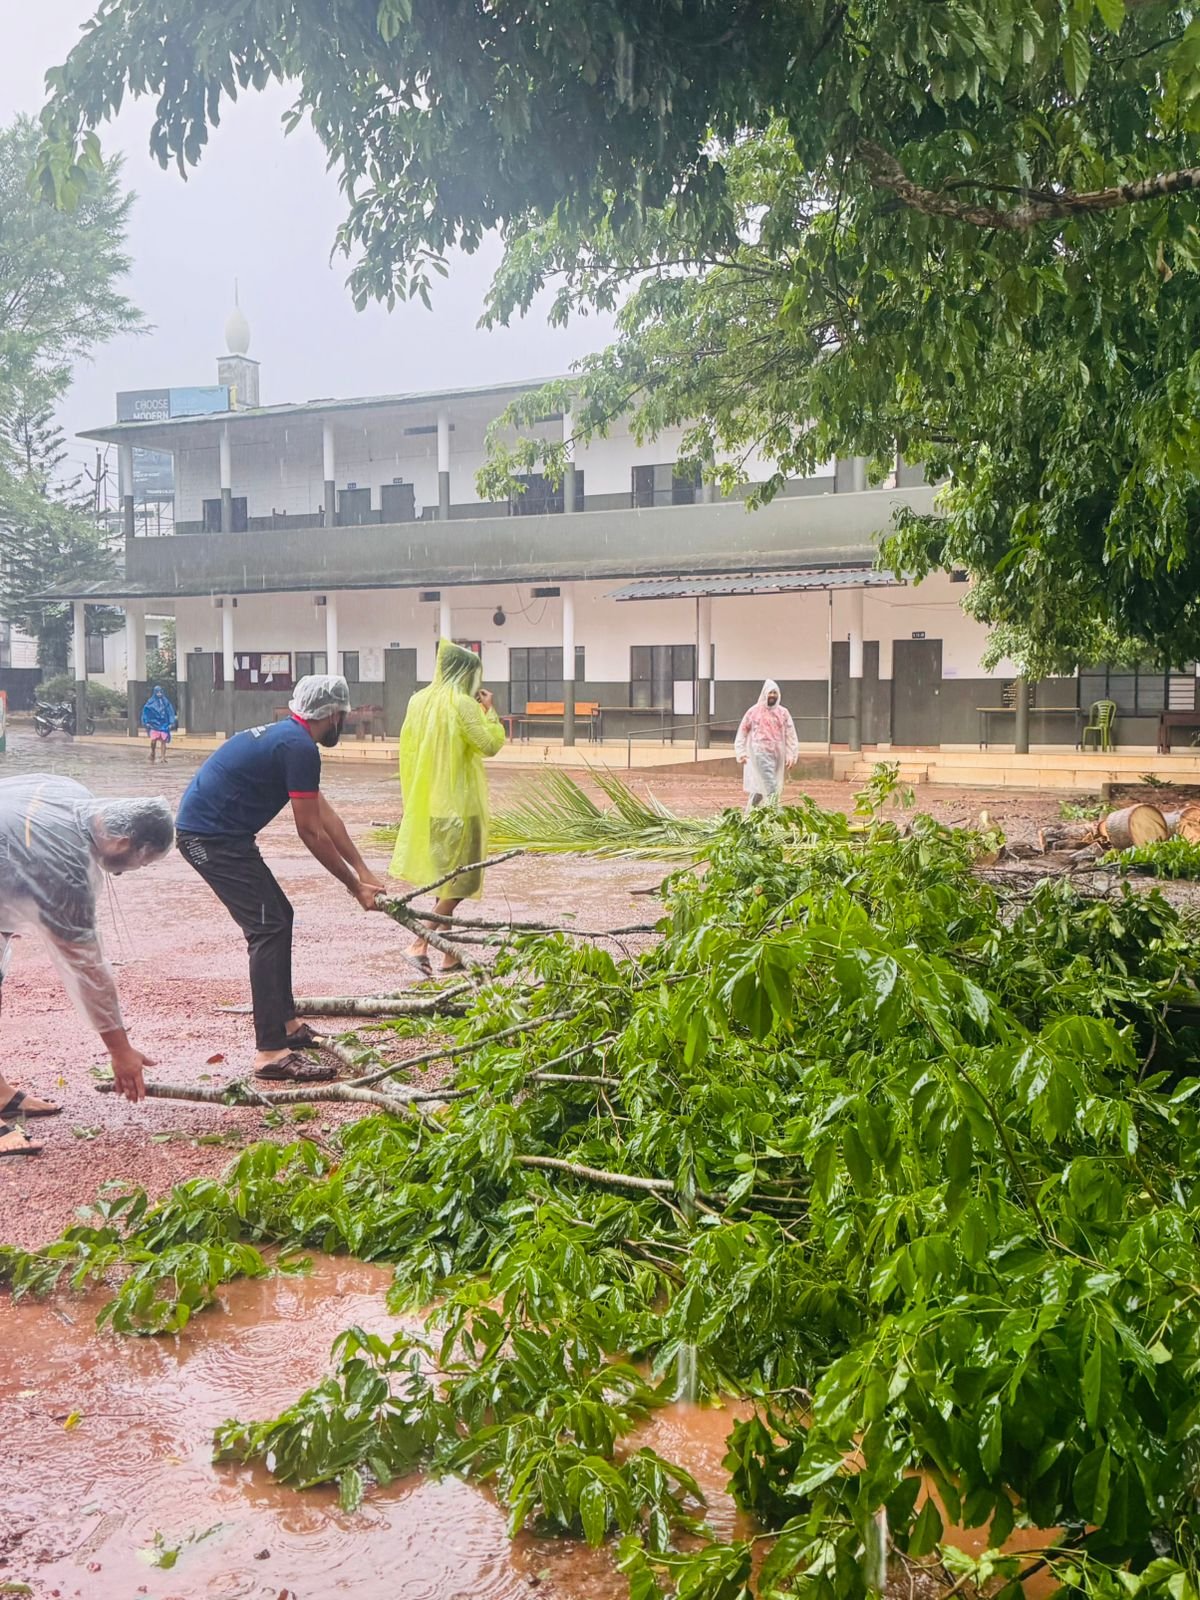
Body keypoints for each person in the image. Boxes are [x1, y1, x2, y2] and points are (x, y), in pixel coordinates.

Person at [175, 674, 384, 1083]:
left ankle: (287, 1025)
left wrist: (364, 872)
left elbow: (326, 816)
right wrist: (352, 886)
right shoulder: (300, 747)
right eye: (346, 715)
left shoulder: (291, 739)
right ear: (334, 714)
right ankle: (270, 1051)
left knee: (278, 917)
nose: (346, 722)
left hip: (224, 836)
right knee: (267, 926)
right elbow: (309, 833)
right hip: (209, 839)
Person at [0, 776, 175, 1158]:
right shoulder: (66, 865)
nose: (128, 870)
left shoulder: (74, 795)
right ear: (124, 842)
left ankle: (0, 1094)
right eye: (139, 861)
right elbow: (87, 967)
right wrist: (121, 1050)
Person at [391, 640, 506, 973]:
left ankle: (449, 954)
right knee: (462, 882)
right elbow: (489, 745)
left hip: (430, 805)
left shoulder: (418, 701)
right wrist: (489, 713)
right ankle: (418, 942)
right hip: (461, 805)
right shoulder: (462, 705)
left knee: (447, 882)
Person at [734, 679, 800, 811]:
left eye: (775, 693)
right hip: (759, 753)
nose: (772, 696)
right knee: (771, 785)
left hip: (777, 755)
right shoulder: (753, 712)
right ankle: (777, 813)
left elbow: (790, 734)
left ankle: (749, 815)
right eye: (770, 693)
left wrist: (791, 755)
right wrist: (740, 752)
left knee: (760, 786)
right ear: (764, 694)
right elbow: (742, 731)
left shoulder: (783, 713)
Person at [140, 684, 177, 764]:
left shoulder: (165, 702)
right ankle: (153, 752)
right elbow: (146, 712)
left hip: (164, 724)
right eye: (157, 692)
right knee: (153, 740)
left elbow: (170, 712)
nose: (159, 694)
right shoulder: (150, 702)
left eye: (160, 692)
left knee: (163, 741)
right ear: (155, 692)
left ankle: (163, 757)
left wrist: (171, 722)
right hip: (154, 725)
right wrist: (146, 722)